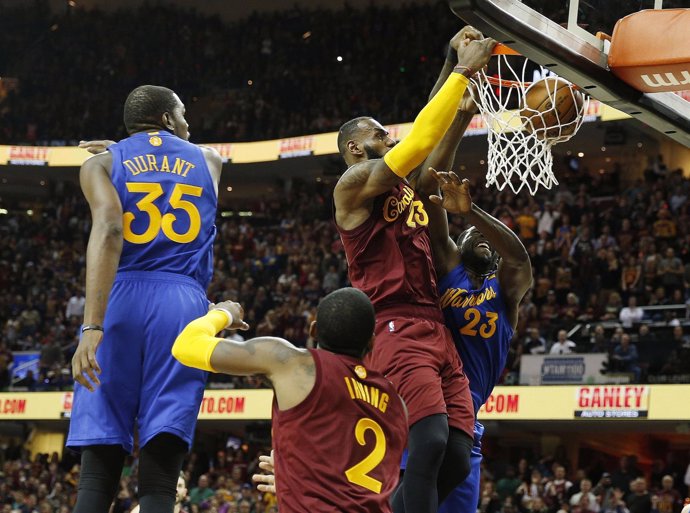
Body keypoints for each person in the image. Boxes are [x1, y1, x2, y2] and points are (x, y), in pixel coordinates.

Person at [332, 28, 496, 513]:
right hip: (395, 323)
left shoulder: (399, 185)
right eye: (378, 134)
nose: (390, 137)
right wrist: (465, 70)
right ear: (356, 149)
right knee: (426, 445)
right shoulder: (354, 185)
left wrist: (449, 59)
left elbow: (424, 132)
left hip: (434, 324)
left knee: (458, 459)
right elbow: (422, 136)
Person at [67, 85, 223, 513]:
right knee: (160, 472)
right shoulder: (210, 160)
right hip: (182, 301)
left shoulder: (100, 164)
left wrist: (92, 326)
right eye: (184, 113)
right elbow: (169, 164)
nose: (189, 123)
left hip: (119, 298)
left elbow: (111, 230)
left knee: (99, 465)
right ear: (170, 119)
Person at [171, 287, 408, 513]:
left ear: (313, 330)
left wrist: (222, 314)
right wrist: (299, 477)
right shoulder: (397, 403)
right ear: (372, 342)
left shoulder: (295, 364)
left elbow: (186, 346)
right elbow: (359, 471)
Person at [419, 169, 531, 513]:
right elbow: (430, 206)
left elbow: (518, 258)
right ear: (460, 245)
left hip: (466, 419)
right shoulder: (448, 268)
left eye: (488, 237)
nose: (482, 237)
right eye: (474, 234)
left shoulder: (504, 292)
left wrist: (471, 213)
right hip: (424, 407)